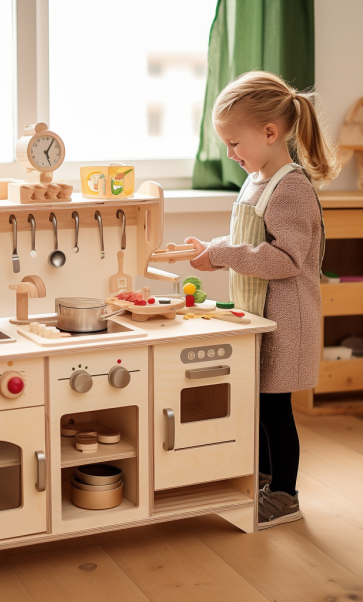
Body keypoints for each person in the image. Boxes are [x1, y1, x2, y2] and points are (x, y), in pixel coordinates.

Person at [186, 71, 339, 529]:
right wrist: (210, 249)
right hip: (262, 316)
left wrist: (223, 256)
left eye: (234, 144)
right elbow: (249, 237)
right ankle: (266, 480)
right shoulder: (258, 179)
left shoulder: (290, 187)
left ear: (270, 133)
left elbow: (286, 258)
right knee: (259, 404)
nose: (230, 154)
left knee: (275, 409)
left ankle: (285, 496)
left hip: (287, 322)